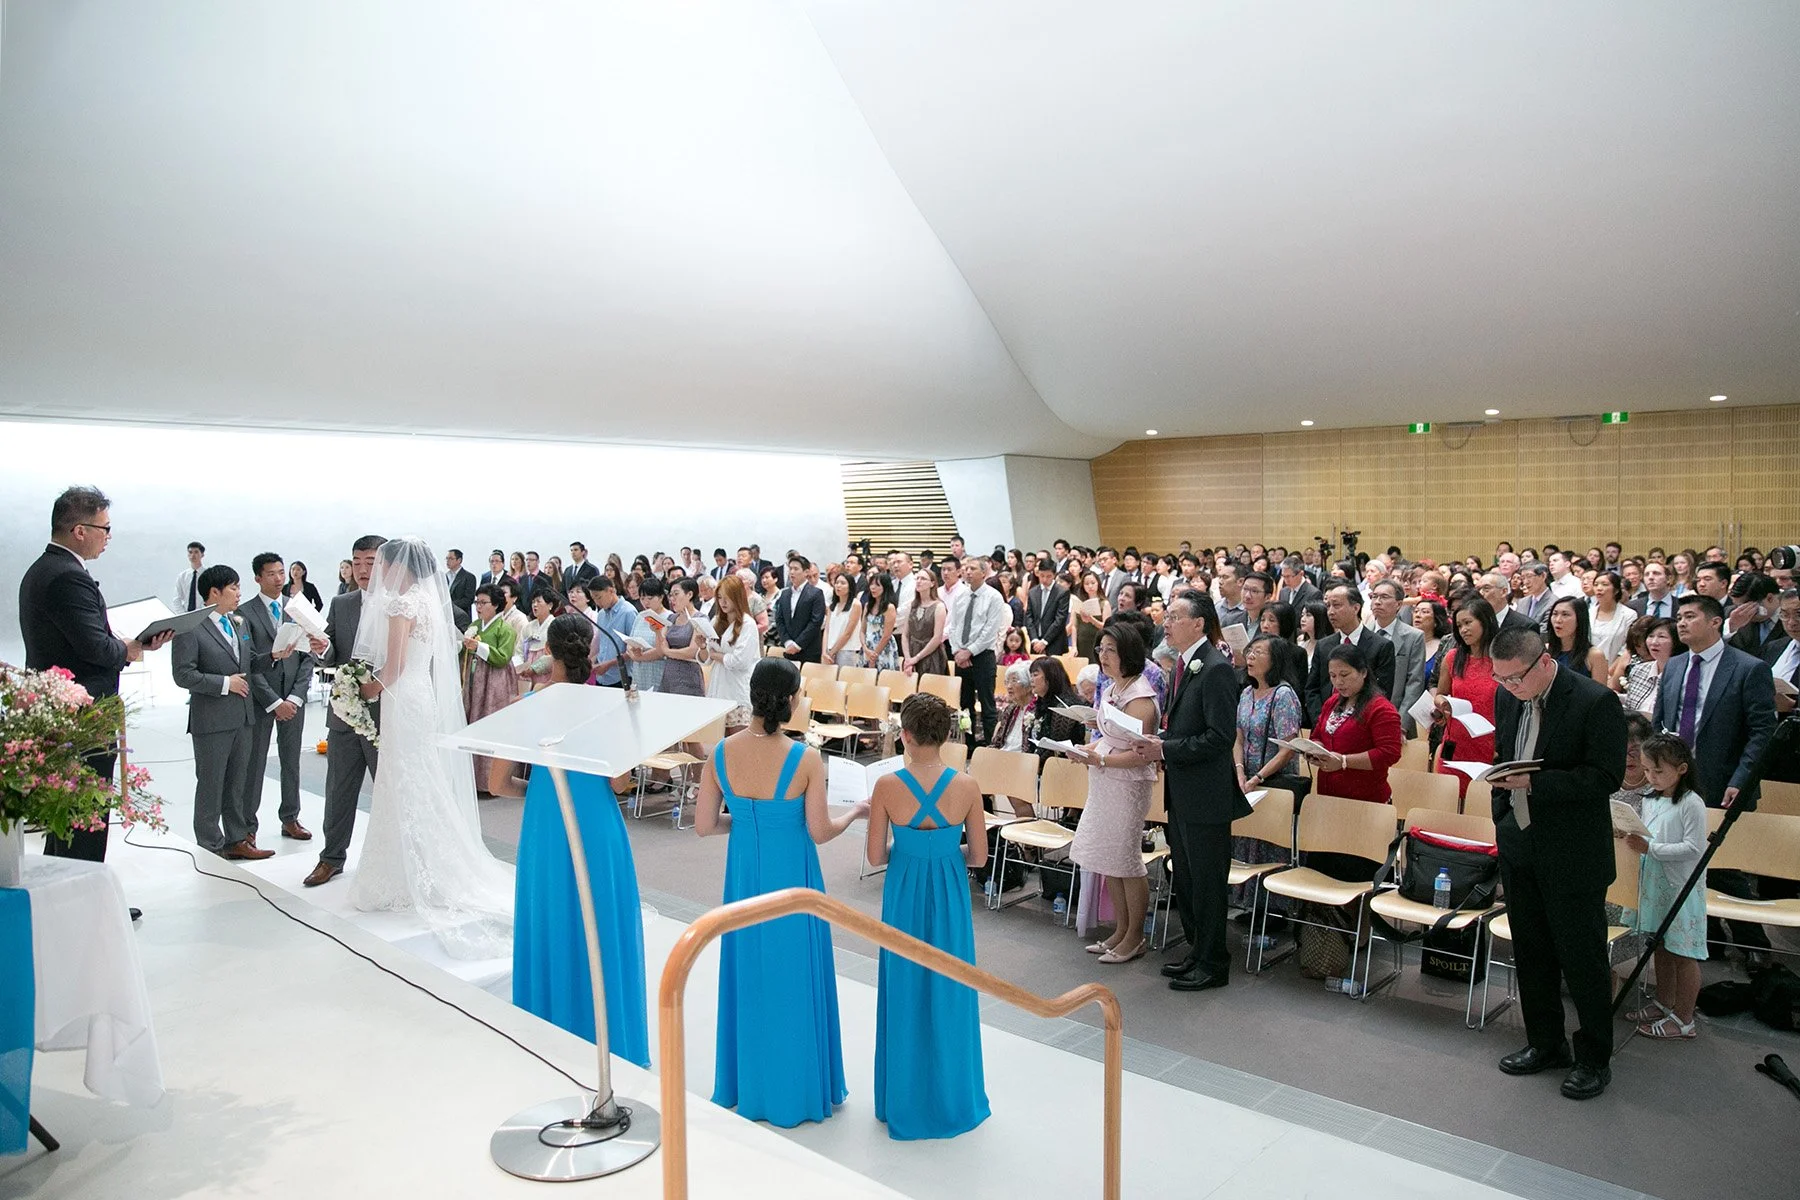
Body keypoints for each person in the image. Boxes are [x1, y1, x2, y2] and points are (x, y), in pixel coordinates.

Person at [695, 659, 864, 1127]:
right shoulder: (805, 757)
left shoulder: (720, 753)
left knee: (748, 969)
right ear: (790, 700)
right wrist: (856, 813)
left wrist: (749, 822)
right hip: (793, 877)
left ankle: (747, 1083)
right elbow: (820, 831)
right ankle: (797, 1087)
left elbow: (705, 826)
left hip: (744, 877)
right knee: (793, 973)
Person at [341, 537, 515, 957]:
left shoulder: (402, 604)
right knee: (416, 776)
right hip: (420, 695)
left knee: (404, 777)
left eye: (382, 563)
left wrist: (362, 688)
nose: (377, 570)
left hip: (401, 695)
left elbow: (395, 664)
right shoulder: (427, 601)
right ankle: (416, 864)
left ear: (399, 566)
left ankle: (408, 873)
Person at [1487, 628, 1625, 1101]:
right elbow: (1503, 755)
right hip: (1520, 843)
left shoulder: (1594, 701)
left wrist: (1535, 784)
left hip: (1572, 852)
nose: (1508, 687)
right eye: (1500, 679)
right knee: (1531, 952)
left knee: (1581, 959)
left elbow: (1604, 777)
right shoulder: (1507, 697)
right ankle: (1545, 1043)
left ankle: (1593, 1058)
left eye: (1515, 679)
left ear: (1543, 662)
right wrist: (1503, 817)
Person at [513, 614, 649, 1066]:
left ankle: (547, 1043)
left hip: (546, 825)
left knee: (550, 918)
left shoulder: (530, 701)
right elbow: (621, 784)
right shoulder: (608, 704)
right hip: (595, 824)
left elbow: (497, 782)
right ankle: (609, 1044)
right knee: (601, 926)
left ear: (548, 652)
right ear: (590, 650)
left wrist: (539, 794)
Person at [19, 487, 173, 870]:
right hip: (82, 712)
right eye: (105, 528)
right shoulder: (67, 577)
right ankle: (82, 895)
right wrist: (130, 648)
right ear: (79, 531)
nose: (109, 536)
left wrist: (127, 643)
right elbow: (95, 649)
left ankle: (70, 888)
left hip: (64, 707)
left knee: (70, 813)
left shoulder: (46, 568)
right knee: (85, 814)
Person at [866, 692, 991, 1141]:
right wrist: (941, 850)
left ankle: (903, 1097)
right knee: (951, 988)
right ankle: (952, 1097)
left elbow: (876, 855)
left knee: (903, 988)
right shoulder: (967, 786)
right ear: (947, 735)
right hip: (949, 894)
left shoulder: (886, 786)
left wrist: (914, 847)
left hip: (903, 893)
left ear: (905, 735)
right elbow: (978, 857)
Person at [1654, 593, 1777, 962]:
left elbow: (1762, 732)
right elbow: (1663, 724)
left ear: (1714, 621)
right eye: (1679, 617)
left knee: (1724, 866)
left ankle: (1755, 946)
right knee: (1682, 863)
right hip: (1677, 781)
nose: (1681, 623)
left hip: (1724, 782)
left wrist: (1742, 778)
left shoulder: (1747, 667)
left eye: (1690, 616)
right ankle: (1707, 940)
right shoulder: (1674, 666)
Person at [1140, 591, 1245, 992]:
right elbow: (1186, 726)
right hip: (1183, 791)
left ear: (1199, 623)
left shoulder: (1215, 668)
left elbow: (1219, 737)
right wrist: (1161, 740)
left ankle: (1214, 963)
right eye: (1166, 616)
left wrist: (1164, 747)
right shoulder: (1183, 664)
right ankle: (1197, 950)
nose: (1166, 623)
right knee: (1185, 876)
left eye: (1174, 616)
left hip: (1206, 794)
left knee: (1207, 881)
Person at [1060, 624, 1159, 963]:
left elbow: (1141, 753)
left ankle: (1135, 936)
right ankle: (1119, 930)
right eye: (1100, 649)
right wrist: (1086, 747)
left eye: (1110, 650)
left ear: (1128, 653)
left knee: (1126, 860)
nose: (1102, 655)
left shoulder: (1142, 698)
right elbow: (1110, 735)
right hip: (1105, 780)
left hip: (1128, 784)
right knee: (1108, 859)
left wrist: (1099, 757)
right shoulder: (1114, 687)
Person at [304, 536, 385, 888]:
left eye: (371, 561)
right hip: (344, 713)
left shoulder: (400, 605)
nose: (363, 570)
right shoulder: (341, 603)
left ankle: (388, 862)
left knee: (389, 792)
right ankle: (331, 858)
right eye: (357, 562)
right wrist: (321, 648)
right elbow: (330, 653)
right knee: (338, 789)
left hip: (386, 716)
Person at [170, 563, 266, 859]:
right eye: (234, 588)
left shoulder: (238, 622)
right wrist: (225, 683)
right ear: (214, 592)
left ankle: (237, 839)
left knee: (237, 783)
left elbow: (247, 663)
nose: (239, 594)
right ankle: (210, 845)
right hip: (211, 720)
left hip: (243, 717)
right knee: (211, 784)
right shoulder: (189, 628)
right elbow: (183, 675)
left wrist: (274, 656)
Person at [1617, 732, 1708, 1041]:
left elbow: (1693, 849)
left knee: (1683, 954)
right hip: (1656, 885)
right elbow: (1649, 833)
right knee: (1661, 947)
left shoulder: (1691, 803)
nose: (1650, 777)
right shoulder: (1652, 798)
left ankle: (1685, 1019)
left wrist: (1650, 849)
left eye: (1658, 771)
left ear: (1681, 769)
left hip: (1680, 887)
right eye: (1646, 770)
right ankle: (1663, 1002)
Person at [240, 552, 313, 844]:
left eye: (281, 572)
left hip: (293, 698)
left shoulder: (297, 609)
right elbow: (247, 663)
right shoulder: (244, 613)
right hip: (261, 700)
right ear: (258, 578)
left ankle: (290, 818)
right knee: (255, 763)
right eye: (271, 574)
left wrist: (295, 697)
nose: (278, 578)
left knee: (291, 761)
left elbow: (308, 656)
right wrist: (273, 701)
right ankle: (247, 826)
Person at [1230, 635, 1304, 911]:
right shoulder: (1247, 692)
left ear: (1274, 661)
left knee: (1270, 842)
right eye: (1250, 651)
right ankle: (1247, 902)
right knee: (1247, 837)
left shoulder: (1283, 695)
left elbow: (1288, 747)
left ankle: (1274, 908)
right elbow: (1237, 735)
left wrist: (1258, 777)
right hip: (1245, 776)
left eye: (1258, 652)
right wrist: (1239, 771)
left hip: (1273, 778)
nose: (1250, 656)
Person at [1302, 643, 1404, 804]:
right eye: (1333, 676)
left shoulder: (1381, 708)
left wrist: (1343, 761)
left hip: (1366, 800)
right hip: (1328, 795)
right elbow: (1317, 735)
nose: (1338, 682)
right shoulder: (1332, 702)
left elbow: (1389, 753)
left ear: (1363, 672)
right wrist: (1315, 750)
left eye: (1344, 674)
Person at [1303, 583, 1396, 726]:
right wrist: (1321, 719)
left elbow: (1382, 691)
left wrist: (1352, 724)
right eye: (1328, 606)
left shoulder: (1381, 645)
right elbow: (1312, 688)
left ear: (1356, 608)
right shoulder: (1323, 645)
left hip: (1361, 723)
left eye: (1337, 605)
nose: (1331, 612)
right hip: (1324, 722)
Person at [1433, 598, 1500, 795]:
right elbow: (1440, 695)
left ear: (1485, 621)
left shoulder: (1501, 660)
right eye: (1459, 625)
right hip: (1456, 741)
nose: (1463, 630)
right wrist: (1442, 704)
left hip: (1490, 743)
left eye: (1468, 623)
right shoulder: (1453, 657)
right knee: (1448, 798)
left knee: (1480, 804)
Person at [461, 584, 518, 795]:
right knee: (472, 720)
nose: (479, 606)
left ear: (496, 605)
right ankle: (471, 778)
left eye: (483, 602)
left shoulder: (506, 629)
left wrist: (479, 647)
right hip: (475, 679)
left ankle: (489, 780)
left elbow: (503, 657)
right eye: (477, 602)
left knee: (490, 721)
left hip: (494, 681)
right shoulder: (476, 625)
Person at [948, 557, 1009, 744]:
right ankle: (968, 743)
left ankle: (991, 745)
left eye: (972, 568)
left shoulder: (993, 597)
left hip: (983, 657)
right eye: (965, 568)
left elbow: (990, 631)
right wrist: (957, 651)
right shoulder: (960, 595)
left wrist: (970, 651)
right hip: (961, 656)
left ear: (984, 573)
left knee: (987, 706)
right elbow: (954, 627)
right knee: (965, 706)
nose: (967, 572)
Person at [1369, 580, 1427, 736]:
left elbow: (1414, 683)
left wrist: (1400, 723)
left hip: (1396, 715)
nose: (1378, 602)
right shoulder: (1363, 633)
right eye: (1374, 597)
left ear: (1398, 604)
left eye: (1384, 597)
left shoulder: (1413, 637)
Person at [707, 574, 759, 730]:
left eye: (727, 598)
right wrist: (702, 647)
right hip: (718, 685)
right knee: (718, 742)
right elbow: (706, 658)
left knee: (737, 743)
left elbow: (740, 661)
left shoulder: (748, 624)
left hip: (737, 688)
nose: (722, 602)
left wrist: (717, 655)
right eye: (720, 597)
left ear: (737, 597)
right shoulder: (716, 620)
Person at [655, 577, 709, 697]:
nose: (672, 599)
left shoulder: (700, 618)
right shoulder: (671, 618)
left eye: (676, 594)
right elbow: (660, 650)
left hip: (688, 677)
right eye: (670, 595)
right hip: (669, 676)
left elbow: (692, 651)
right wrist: (657, 632)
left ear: (689, 594)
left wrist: (668, 651)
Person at [775, 556, 826, 663]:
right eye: (790, 568)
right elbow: (779, 620)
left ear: (806, 572)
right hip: (789, 649)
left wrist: (798, 644)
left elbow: (816, 622)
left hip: (809, 650)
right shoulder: (784, 593)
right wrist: (787, 641)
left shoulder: (816, 593)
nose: (792, 572)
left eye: (796, 569)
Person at [900, 570, 949, 677]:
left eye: (923, 579)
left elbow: (937, 637)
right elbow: (905, 635)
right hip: (911, 652)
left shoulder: (939, 606)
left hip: (931, 655)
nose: (919, 581)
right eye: (917, 578)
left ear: (932, 583)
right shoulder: (912, 605)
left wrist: (917, 658)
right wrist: (908, 658)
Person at [1026, 561, 1071, 655]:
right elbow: (1029, 617)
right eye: (1042, 575)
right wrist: (1034, 639)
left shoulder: (1062, 592)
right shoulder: (1032, 592)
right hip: (1035, 642)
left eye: (1048, 576)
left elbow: (1060, 619)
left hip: (1054, 642)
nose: (1044, 579)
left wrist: (1044, 641)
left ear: (1054, 575)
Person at [860, 571, 901, 671]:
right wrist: (865, 648)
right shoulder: (867, 605)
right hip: (867, 648)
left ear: (885, 587)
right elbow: (862, 630)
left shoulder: (889, 607)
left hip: (883, 649)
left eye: (877, 585)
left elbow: (887, 635)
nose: (873, 587)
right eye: (871, 584)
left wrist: (874, 654)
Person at [1411, 596, 1450, 695]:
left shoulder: (1444, 647)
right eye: (1416, 611)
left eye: (1425, 612)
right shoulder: (1407, 644)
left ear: (1436, 620)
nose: (1418, 615)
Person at [1069, 572, 1109, 661]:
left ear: (1098, 583)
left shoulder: (1104, 603)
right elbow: (1074, 626)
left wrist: (1091, 619)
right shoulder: (1079, 603)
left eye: (1093, 583)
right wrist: (1074, 646)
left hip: (1096, 641)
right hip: (1081, 642)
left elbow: (1106, 627)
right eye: (1086, 584)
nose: (1090, 586)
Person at [823, 573, 861, 666]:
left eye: (843, 583)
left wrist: (832, 652)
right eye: (837, 583)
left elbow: (847, 633)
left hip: (847, 650)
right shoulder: (833, 605)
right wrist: (824, 651)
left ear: (850, 586)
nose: (838, 585)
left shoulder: (855, 604)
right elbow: (827, 630)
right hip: (829, 649)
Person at [445, 549, 478, 630]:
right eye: (447, 558)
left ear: (459, 560)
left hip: (461, 620)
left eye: (451, 558)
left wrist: (450, 606)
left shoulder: (469, 577)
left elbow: (468, 599)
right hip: (446, 619)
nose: (447, 561)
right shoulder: (444, 576)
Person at [173, 540, 206, 613]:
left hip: (204, 614)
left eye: (196, 552)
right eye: (190, 552)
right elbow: (177, 598)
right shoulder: (182, 576)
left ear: (202, 554)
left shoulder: (208, 575)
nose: (193, 555)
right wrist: (182, 615)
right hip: (186, 614)